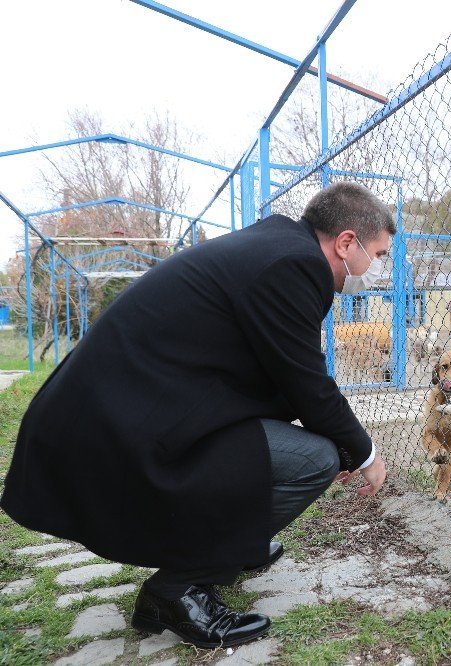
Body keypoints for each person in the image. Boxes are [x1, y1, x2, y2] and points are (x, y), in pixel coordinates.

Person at [0, 181, 393, 648]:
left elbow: (283, 377)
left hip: (129, 411)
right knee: (315, 460)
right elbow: (306, 383)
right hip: (123, 425)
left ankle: (231, 543)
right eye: (380, 254)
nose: (380, 268)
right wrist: (366, 454)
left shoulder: (278, 246)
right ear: (346, 242)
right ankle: (178, 588)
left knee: (297, 449)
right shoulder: (295, 263)